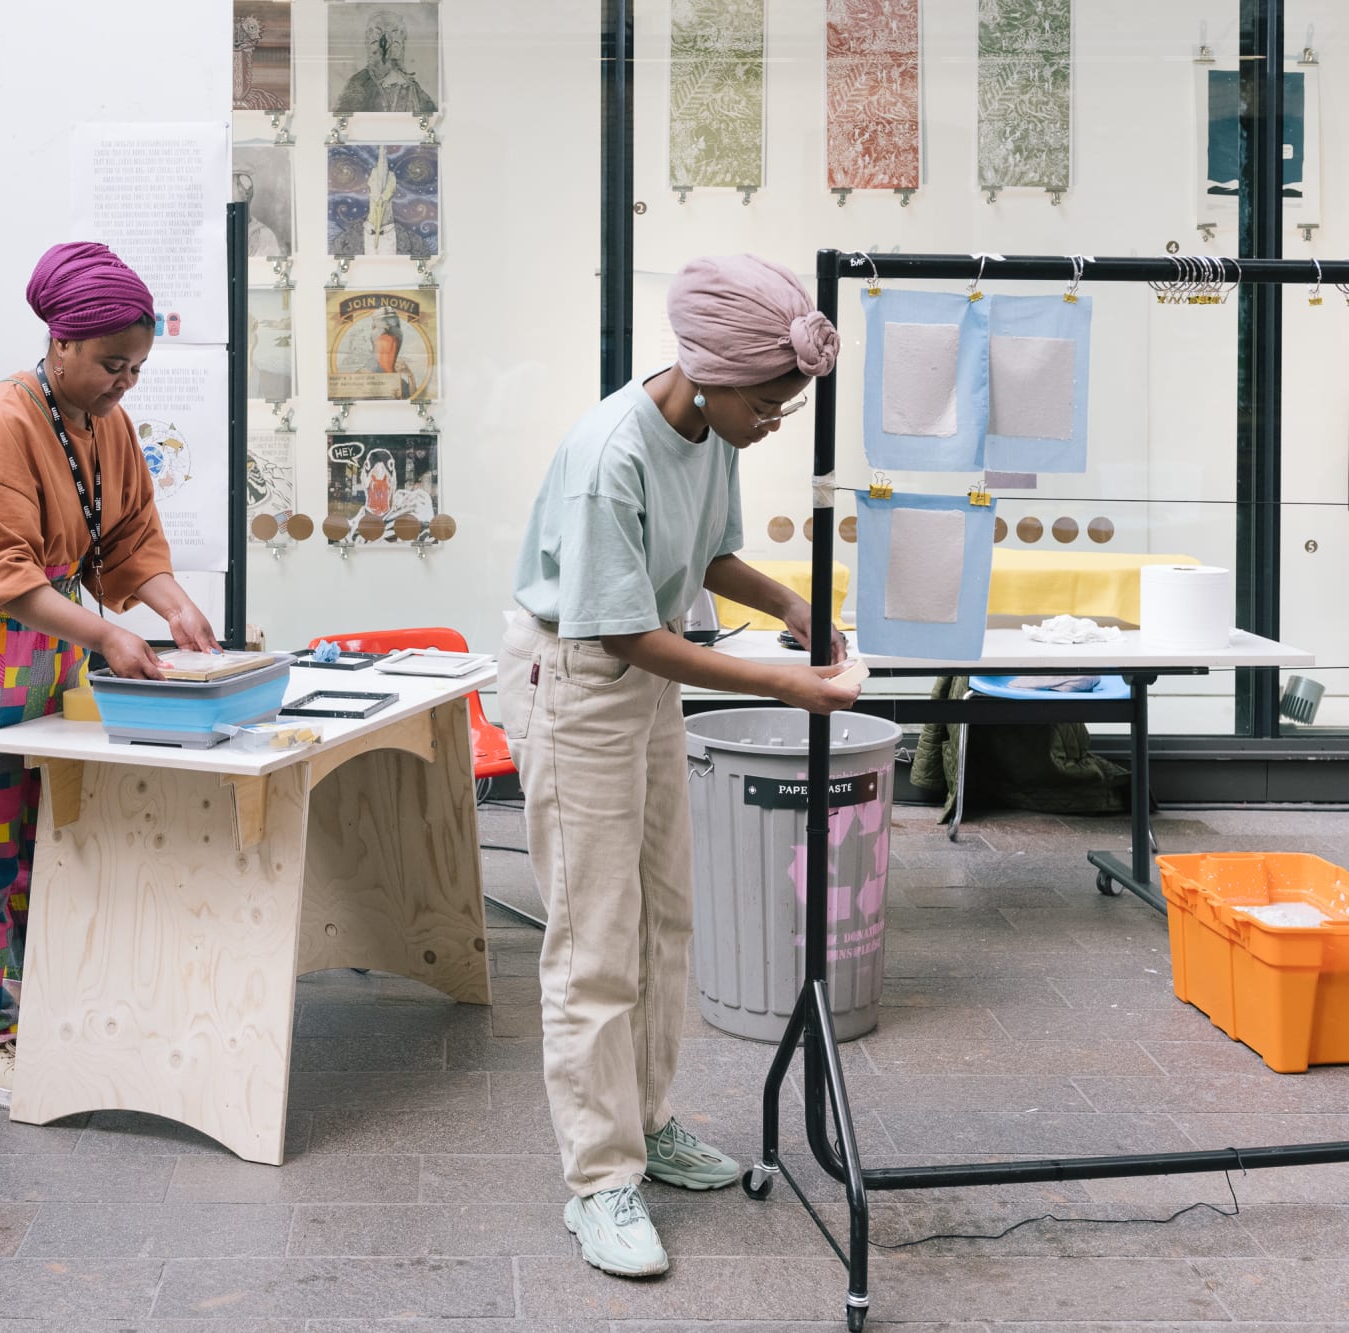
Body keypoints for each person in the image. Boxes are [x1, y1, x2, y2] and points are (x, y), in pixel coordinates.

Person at [499, 254, 857, 1278]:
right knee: (591, 935)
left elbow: (703, 556)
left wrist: (790, 606)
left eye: (786, 404)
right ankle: (597, 1179)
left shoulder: (708, 425)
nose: (775, 421)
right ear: (708, 370)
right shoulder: (613, 451)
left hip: (642, 661)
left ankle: (646, 1123)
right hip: (578, 675)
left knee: (662, 915)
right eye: (769, 403)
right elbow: (617, 637)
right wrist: (788, 688)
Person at [0, 242, 221, 1108]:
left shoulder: (103, 422)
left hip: (44, 633)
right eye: (115, 365)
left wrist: (173, 604)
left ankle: (38, 1003)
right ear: (61, 343)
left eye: (138, 368)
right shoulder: (0, 419)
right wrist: (109, 635)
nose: (126, 385)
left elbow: (129, 540)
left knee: (41, 832)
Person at [334, 10, 438, 115]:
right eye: (378, 32)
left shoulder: (411, 87)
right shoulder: (358, 83)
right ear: (368, 40)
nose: (386, 41)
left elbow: (431, 114)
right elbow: (342, 116)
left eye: (394, 32)